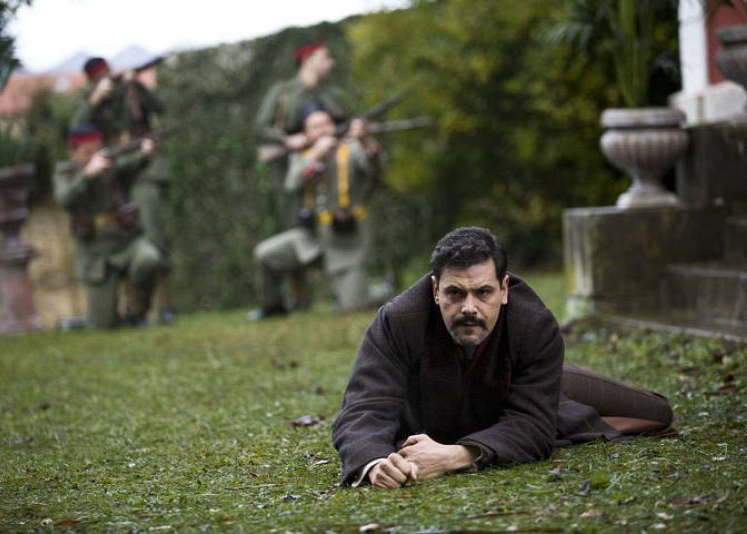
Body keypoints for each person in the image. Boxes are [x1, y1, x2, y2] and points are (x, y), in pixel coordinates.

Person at [332, 227, 674, 488]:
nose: (469, 307)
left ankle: (572, 418)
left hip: (528, 385)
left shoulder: (533, 323)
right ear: (435, 290)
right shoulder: (399, 320)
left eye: (483, 292)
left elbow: (533, 426)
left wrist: (457, 455)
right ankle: (560, 423)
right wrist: (375, 463)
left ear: (504, 289)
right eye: (454, 293)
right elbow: (364, 405)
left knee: (656, 413)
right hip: (450, 412)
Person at [251, 106, 382, 318]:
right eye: (315, 126)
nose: (322, 130)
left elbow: (375, 169)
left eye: (326, 124)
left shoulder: (351, 149)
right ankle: (272, 307)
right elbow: (292, 184)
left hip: (345, 240)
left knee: (353, 307)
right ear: (306, 133)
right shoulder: (303, 155)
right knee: (265, 254)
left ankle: (381, 290)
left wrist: (365, 142)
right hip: (310, 237)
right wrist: (315, 155)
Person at [74, 56, 176, 325]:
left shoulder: (129, 89)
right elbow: (76, 130)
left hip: (142, 169)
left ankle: (161, 307)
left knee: (153, 237)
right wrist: (95, 99)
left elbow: (160, 107)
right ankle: (128, 307)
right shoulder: (88, 98)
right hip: (110, 174)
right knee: (122, 238)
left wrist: (136, 85)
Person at [254, 42, 349, 311]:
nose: (330, 63)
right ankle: (298, 297)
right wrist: (287, 140)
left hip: (330, 166)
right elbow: (260, 128)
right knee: (294, 227)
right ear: (308, 59)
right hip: (291, 166)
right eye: (324, 57)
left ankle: (342, 290)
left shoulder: (329, 93)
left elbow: (343, 122)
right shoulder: (283, 92)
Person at [53, 125, 162, 329]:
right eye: (88, 152)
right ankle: (80, 322)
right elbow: (64, 199)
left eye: (97, 149)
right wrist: (87, 174)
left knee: (149, 259)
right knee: (103, 326)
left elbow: (131, 164)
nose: (95, 156)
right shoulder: (65, 171)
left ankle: (137, 312)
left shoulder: (111, 166)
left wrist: (145, 154)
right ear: (73, 152)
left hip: (126, 241)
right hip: (97, 254)